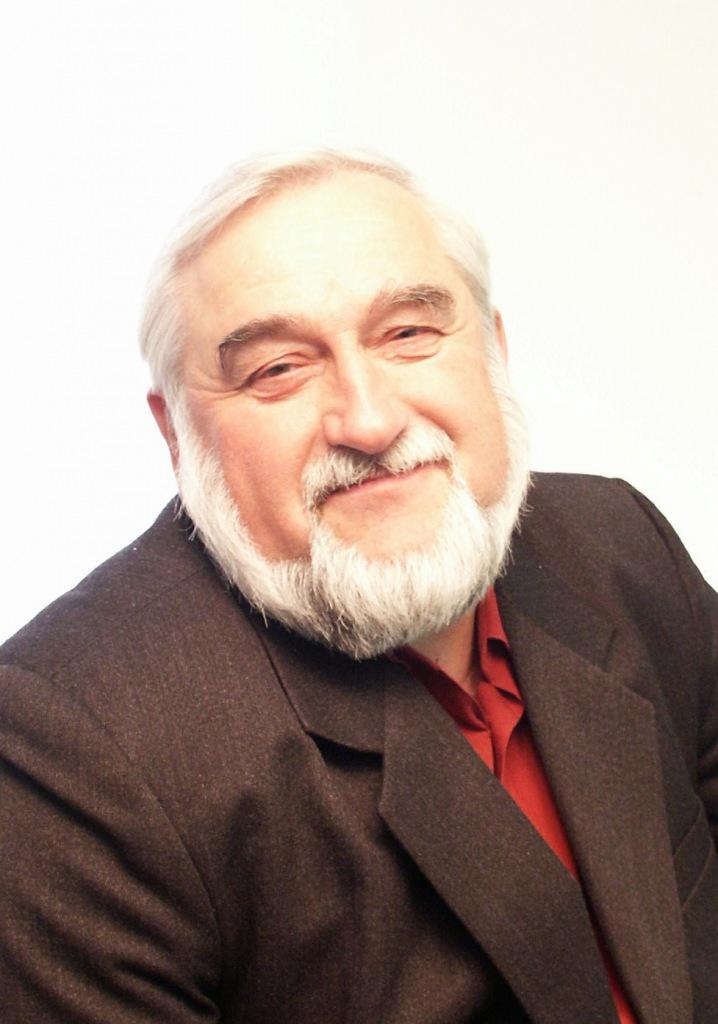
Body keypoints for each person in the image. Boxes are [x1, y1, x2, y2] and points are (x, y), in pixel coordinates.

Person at [1, 148, 716, 1024]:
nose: (370, 421)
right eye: (278, 370)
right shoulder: (69, 748)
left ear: (493, 351)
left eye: (408, 334)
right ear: (177, 433)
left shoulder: (621, 547)